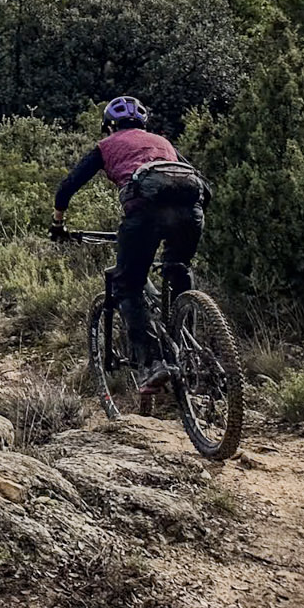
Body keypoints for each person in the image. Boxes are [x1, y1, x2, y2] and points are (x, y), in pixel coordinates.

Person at [50, 95, 208, 401]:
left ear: (111, 125)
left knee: (127, 285)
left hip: (144, 213)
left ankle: (154, 362)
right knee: (177, 269)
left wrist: (58, 224)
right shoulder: (163, 142)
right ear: (143, 124)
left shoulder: (106, 146)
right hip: (191, 210)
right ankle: (186, 343)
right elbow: (201, 182)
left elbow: (68, 186)